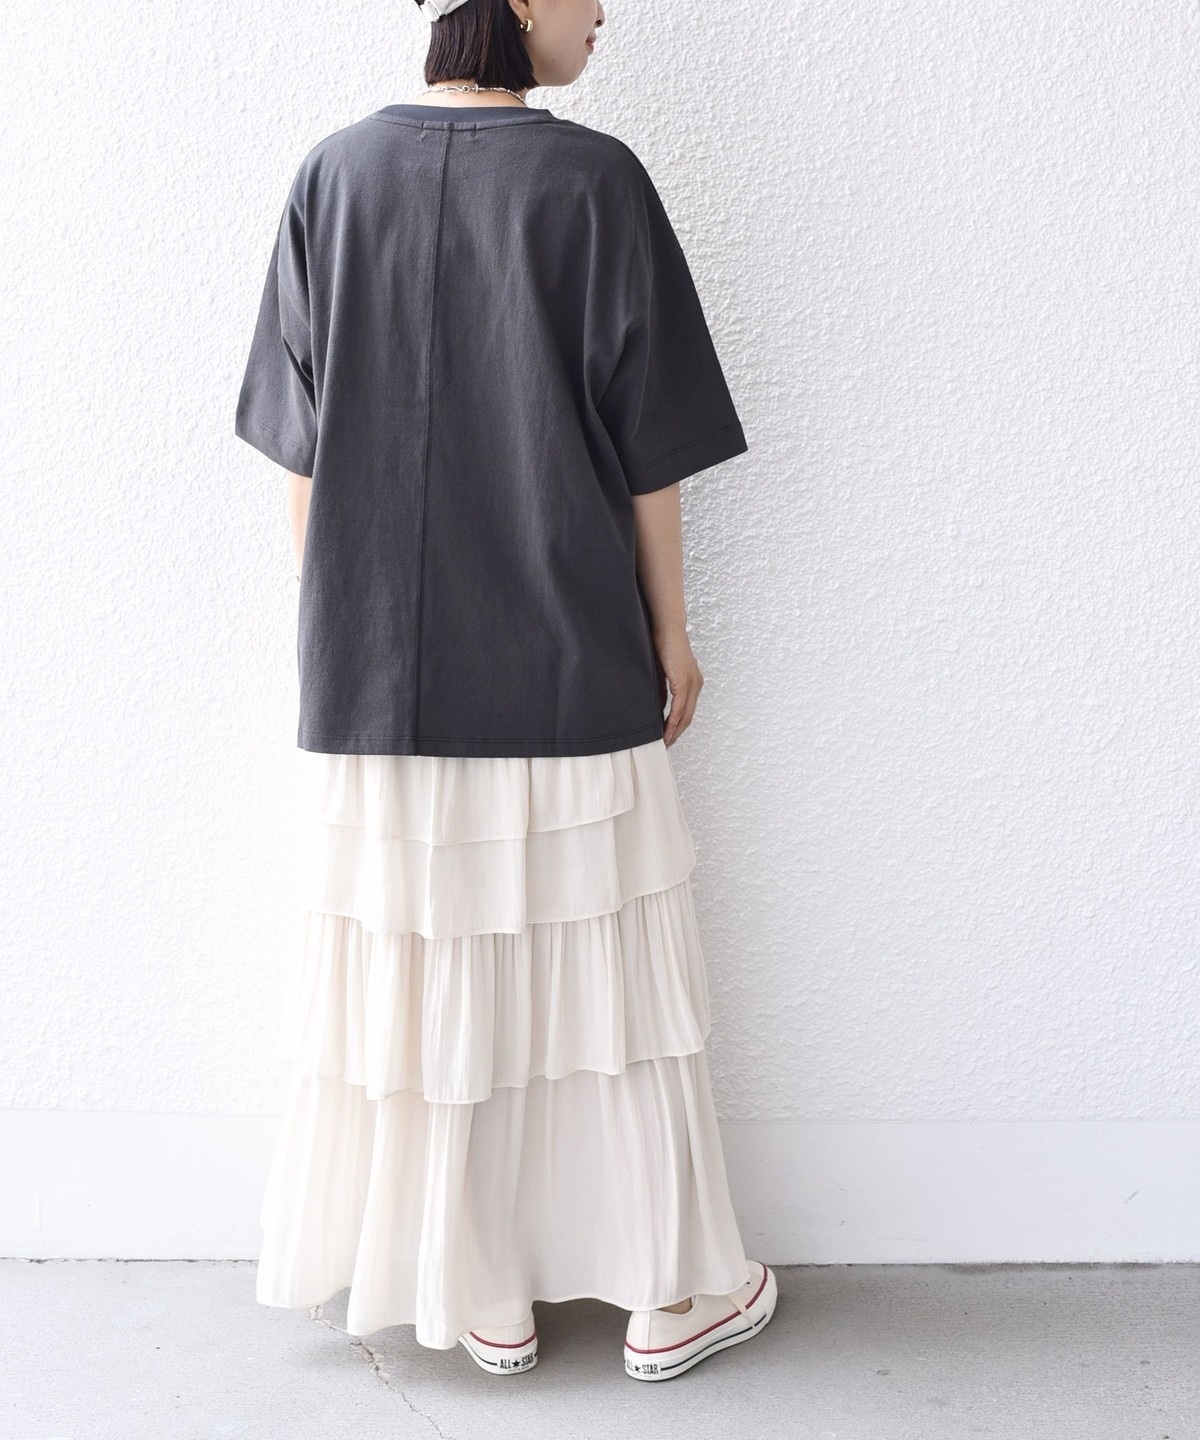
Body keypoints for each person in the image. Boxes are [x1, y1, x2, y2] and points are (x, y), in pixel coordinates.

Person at [233, 0, 777, 1383]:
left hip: (380, 680)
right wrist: (673, 635)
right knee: (612, 993)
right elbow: (650, 450)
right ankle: (671, 1294)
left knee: (436, 983)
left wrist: (350, 627)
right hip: (567, 655)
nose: (604, 14)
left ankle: (486, 1295)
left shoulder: (332, 175)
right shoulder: (595, 182)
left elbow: (300, 451)